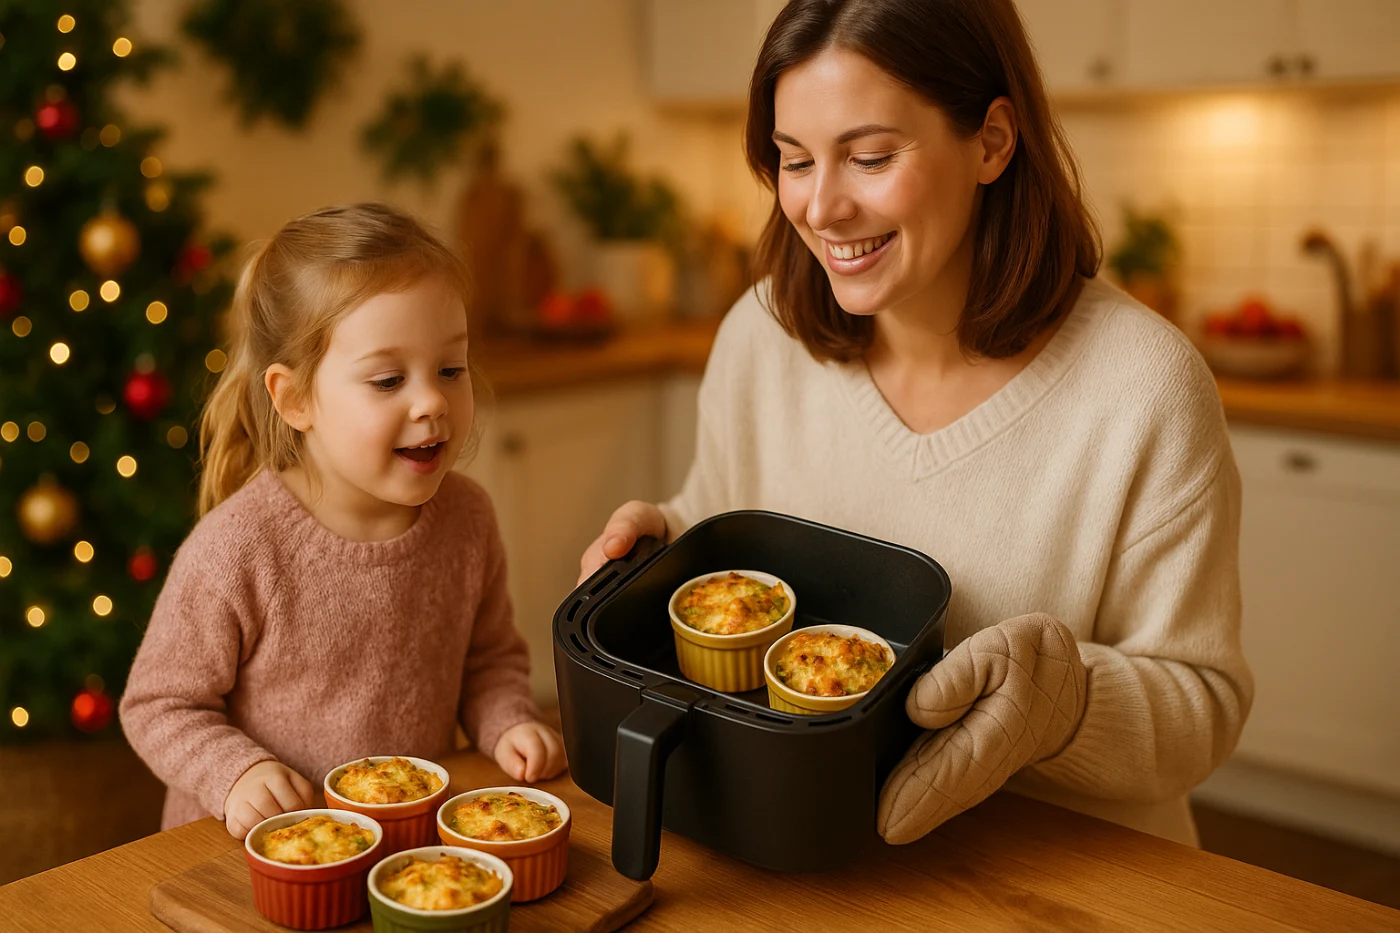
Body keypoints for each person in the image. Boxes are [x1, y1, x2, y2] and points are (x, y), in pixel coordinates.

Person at [578, 0, 1250, 847]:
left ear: (993, 142)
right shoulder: (762, 333)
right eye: (793, 161)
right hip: (810, 857)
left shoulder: (1144, 386)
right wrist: (663, 543)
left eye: (868, 157)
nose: (821, 208)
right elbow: (722, 511)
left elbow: (1204, 707)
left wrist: (1063, 704)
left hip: (1069, 878)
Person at [121, 203, 566, 839]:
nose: (432, 400)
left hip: (399, 843)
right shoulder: (239, 548)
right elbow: (158, 704)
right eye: (388, 380)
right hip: (251, 855)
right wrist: (236, 772)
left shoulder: (467, 518)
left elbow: (489, 660)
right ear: (295, 398)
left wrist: (509, 721)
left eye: (451, 369)